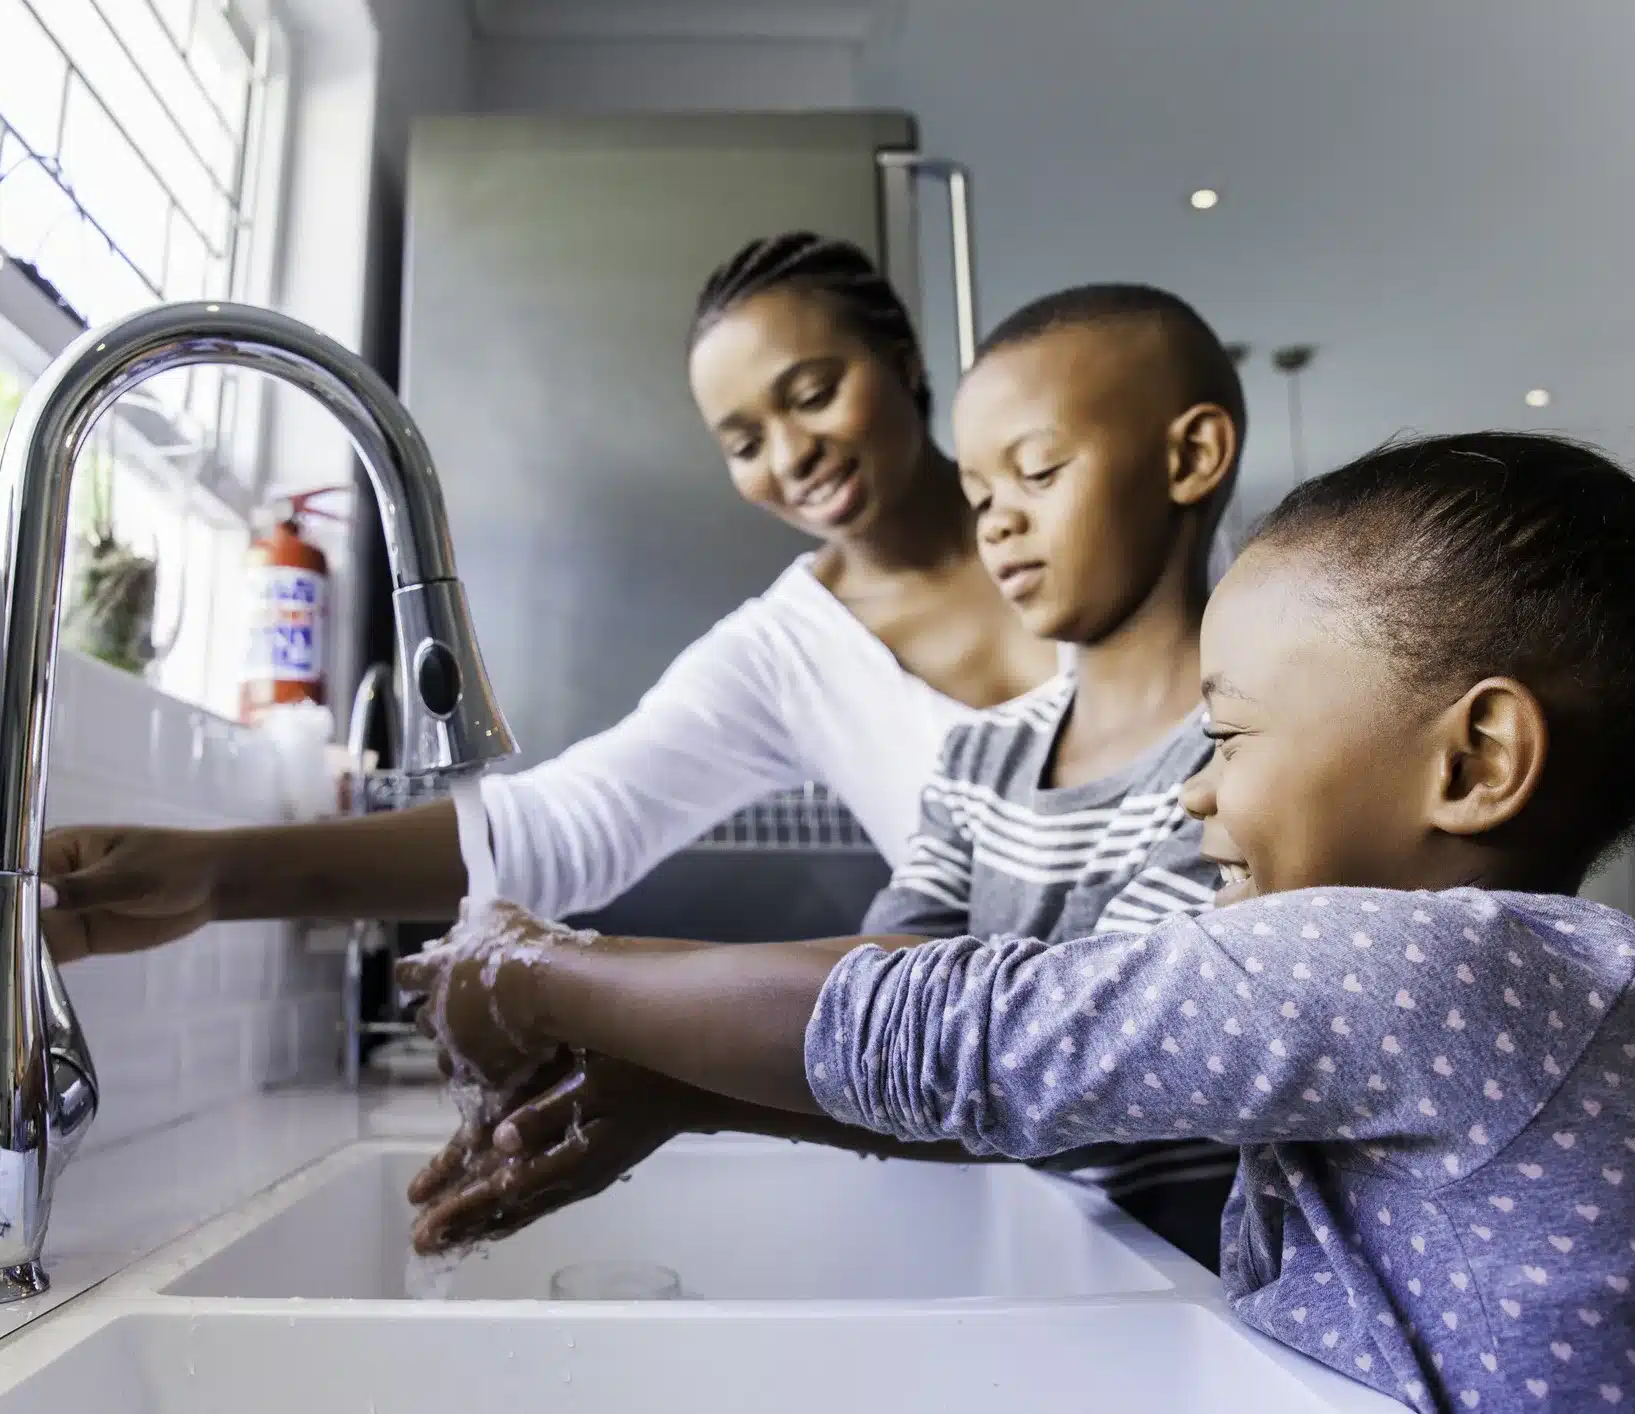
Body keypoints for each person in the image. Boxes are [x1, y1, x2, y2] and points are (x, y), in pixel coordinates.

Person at [400, 391, 1635, 1411]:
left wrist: (540, 965)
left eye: (1229, 734)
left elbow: (976, 1033)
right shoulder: (1482, 988)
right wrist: (682, 1091)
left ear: (1472, 758)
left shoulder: (1437, 967)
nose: (1196, 789)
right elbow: (1073, 1086)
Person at [406, 284, 1250, 1272]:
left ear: (1191, 457)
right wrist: (677, 1086)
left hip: (1223, 1311)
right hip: (1074, 1274)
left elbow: (1059, 1056)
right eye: (981, 495)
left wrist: (552, 976)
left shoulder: (1250, 760)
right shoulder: (982, 761)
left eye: (1040, 473)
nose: (999, 525)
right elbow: (894, 994)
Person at [36, 232, 1055, 961]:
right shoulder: (784, 655)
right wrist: (218, 875)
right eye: (743, 442)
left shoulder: (1070, 512)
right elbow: (565, 826)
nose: (792, 455)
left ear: (905, 362)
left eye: (814, 392)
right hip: (1076, 1142)